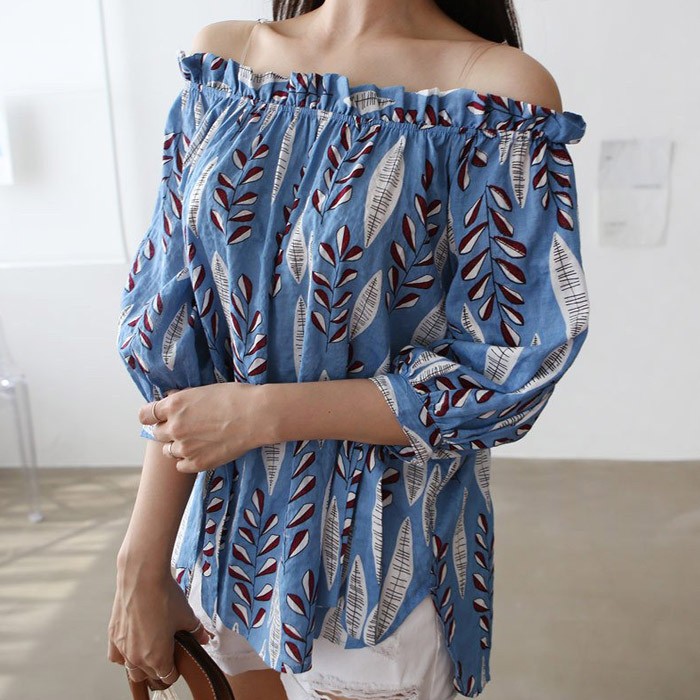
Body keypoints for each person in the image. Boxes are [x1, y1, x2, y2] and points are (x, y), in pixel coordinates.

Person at [108, 2, 589, 699]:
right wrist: (140, 564)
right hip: (224, 553)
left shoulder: (497, 93)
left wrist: (262, 415)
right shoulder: (226, 61)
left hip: (377, 569)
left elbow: (507, 370)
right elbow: (179, 339)